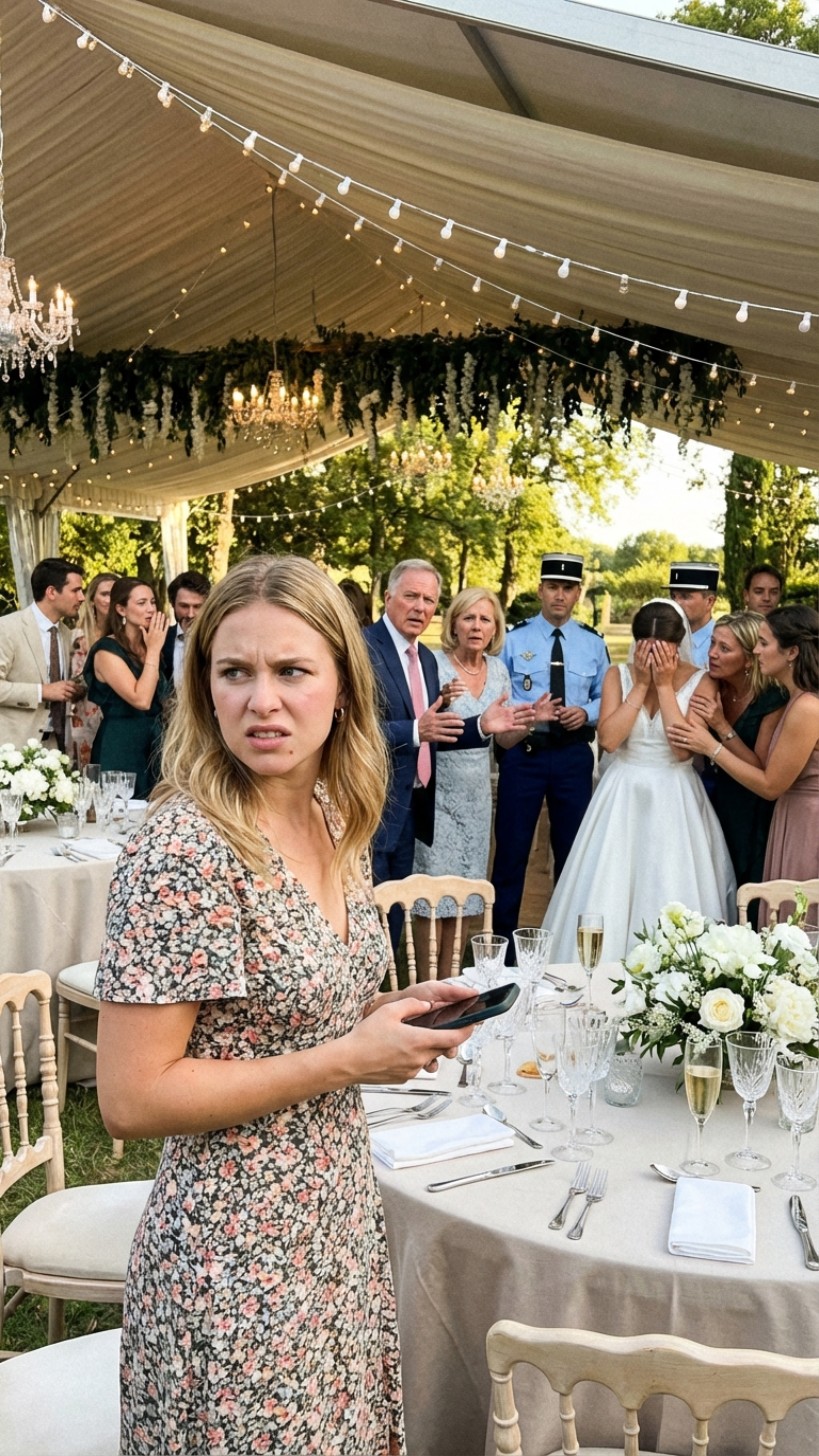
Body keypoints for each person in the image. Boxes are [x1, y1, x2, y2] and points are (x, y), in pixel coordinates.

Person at [94, 555, 476, 1456]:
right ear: (204, 688)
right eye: (235, 671)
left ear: (341, 687)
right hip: (233, 1256)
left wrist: (392, 1007)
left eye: (292, 671)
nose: (262, 701)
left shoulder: (334, 812)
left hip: (334, 1216)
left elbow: (294, 1003)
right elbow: (132, 1098)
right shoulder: (184, 850)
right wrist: (349, 1059)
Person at [543, 599, 735, 963]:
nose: (652, 658)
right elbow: (610, 740)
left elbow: (683, 752)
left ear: (677, 646)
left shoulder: (702, 681)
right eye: (646, 649)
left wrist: (663, 687)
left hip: (675, 793)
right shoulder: (618, 675)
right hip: (622, 792)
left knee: (668, 877)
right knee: (609, 881)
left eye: (662, 650)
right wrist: (641, 684)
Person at [364, 560, 533, 948]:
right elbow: (346, 730)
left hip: (414, 810)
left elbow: (438, 731)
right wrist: (414, 731)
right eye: (411, 596)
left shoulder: (421, 658)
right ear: (388, 597)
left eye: (428, 600)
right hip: (374, 805)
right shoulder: (362, 648)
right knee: (370, 921)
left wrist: (483, 725)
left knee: (395, 920)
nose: (420, 607)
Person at [491, 551, 610, 949]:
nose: (560, 595)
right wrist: (527, 714)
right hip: (524, 754)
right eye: (553, 587)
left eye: (568, 588)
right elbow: (498, 696)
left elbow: (607, 696)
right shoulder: (514, 639)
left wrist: (587, 712)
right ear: (540, 590)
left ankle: (564, 949)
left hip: (573, 757)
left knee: (572, 854)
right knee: (511, 853)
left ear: (578, 593)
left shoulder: (593, 643)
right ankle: (502, 951)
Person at [671, 605, 819, 920]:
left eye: (764, 643)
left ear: (792, 652)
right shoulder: (796, 697)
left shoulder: (805, 706)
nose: (757, 650)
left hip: (806, 824)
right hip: (787, 816)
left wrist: (711, 745)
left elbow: (770, 785)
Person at [411, 587, 516, 976]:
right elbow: (422, 725)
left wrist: (525, 724)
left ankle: (452, 979)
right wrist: (440, 700)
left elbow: (502, 739)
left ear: (495, 628)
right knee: (432, 894)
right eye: (468, 618)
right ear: (453, 623)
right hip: (437, 793)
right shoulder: (432, 664)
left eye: (485, 619)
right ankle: (427, 981)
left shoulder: (499, 670)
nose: (476, 626)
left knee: (466, 892)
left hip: (476, 797)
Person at [689, 611, 786, 888]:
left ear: (748, 659)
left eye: (724, 648)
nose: (712, 654)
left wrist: (720, 727)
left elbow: (760, 767)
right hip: (711, 797)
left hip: (752, 809)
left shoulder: (772, 698)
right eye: (712, 643)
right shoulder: (711, 686)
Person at [84, 577, 171, 798]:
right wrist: (153, 651)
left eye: (153, 602)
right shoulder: (106, 650)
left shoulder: (149, 645)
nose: (150, 609)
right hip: (121, 744)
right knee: (121, 809)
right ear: (121, 609)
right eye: (142, 603)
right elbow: (141, 699)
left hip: (154, 744)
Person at [0, 557, 85, 751]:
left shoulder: (65, 634)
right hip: (13, 750)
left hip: (56, 749)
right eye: (75, 590)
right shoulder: (7, 628)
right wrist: (42, 692)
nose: (82, 597)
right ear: (51, 592)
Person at [67, 571, 119, 767]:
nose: (111, 600)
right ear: (91, 601)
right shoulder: (76, 638)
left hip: (117, 719)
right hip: (82, 719)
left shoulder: (129, 638)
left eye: (115, 594)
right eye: (105, 594)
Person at [161, 569, 211, 689]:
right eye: (184, 606)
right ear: (173, 604)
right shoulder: (161, 640)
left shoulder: (217, 639)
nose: (190, 614)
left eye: (197, 606)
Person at [668, 560, 720, 668]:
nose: (676, 603)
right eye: (673, 596)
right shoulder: (664, 636)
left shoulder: (722, 643)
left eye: (685, 596)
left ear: (709, 602)